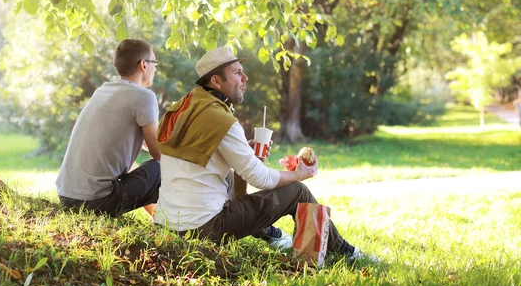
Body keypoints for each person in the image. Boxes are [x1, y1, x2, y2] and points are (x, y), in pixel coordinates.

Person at [154, 46, 368, 261]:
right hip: (203, 228)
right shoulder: (222, 120)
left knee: (228, 179)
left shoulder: (184, 107)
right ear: (217, 81)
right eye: (237, 73)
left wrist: (243, 150)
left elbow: (194, 155)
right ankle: (345, 252)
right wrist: (299, 174)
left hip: (165, 224)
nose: (245, 77)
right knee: (298, 192)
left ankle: (270, 234)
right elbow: (260, 178)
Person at [56, 39, 161, 217]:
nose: (156, 69)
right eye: (154, 63)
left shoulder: (103, 91)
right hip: (95, 202)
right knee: (162, 167)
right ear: (143, 64)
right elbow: (158, 154)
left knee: (139, 169)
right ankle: (175, 223)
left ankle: (158, 218)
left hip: (67, 197)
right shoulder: (143, 96)